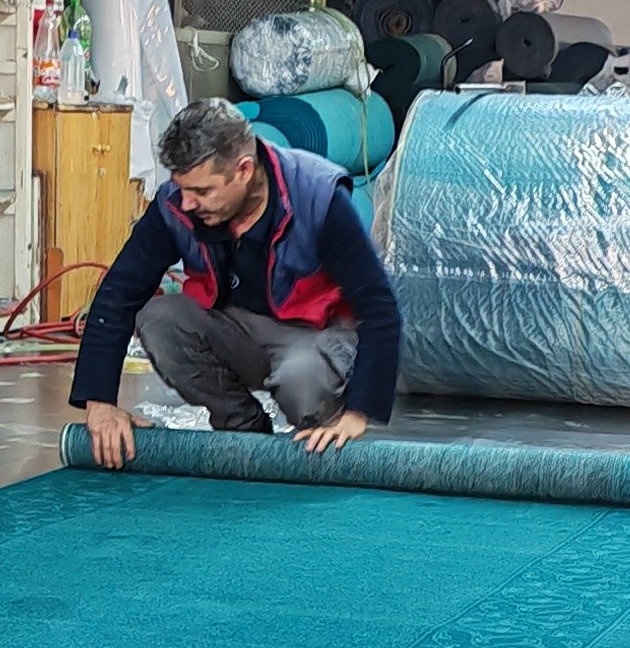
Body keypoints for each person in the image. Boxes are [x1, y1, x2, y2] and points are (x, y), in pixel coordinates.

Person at [74, 100, 404, 467]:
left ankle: (325, 432)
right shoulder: (177, 205)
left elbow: (379, 308)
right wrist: (99, 401)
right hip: (241, 332)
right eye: (182, 188)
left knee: (300, 377)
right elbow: (119, 292)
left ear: (244, 170)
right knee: (159, 318)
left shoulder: (318, 197)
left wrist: (358, 413)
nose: (188, 203)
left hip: (318, 336)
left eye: (203, 191)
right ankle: (242, 430)